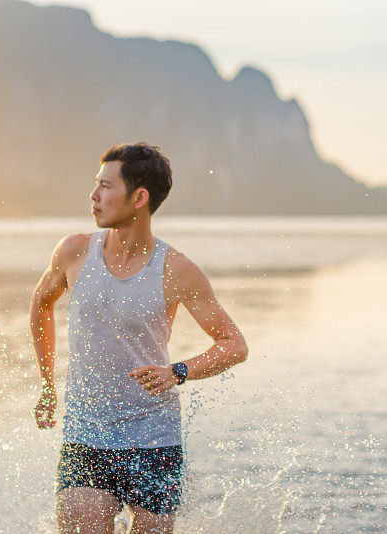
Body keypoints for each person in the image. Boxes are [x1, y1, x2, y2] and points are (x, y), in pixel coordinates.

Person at [29, 142, 249, 534]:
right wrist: (48, 383)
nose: (94, 196)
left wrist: (177, 371)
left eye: (106, 187)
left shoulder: (177, 270)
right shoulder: (74, 251)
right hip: (87, 434)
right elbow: (40, 305)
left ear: (139, 197)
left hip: (154, 440)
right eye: (95, 185)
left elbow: (234, 345)